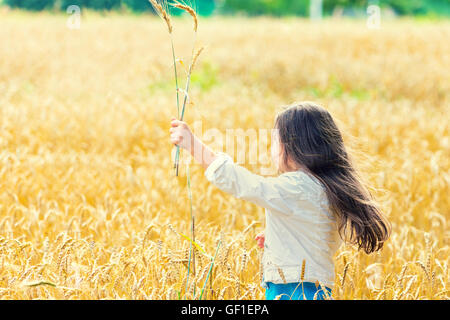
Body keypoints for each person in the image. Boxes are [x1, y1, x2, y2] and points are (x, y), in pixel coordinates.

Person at [169, 101, 391, 300]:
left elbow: (245, 184)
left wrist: (194, 146)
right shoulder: (326, 188)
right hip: (317, 290)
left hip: (292, 290)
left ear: (293, 146)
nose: (271, 149)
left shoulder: (296, 187)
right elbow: (321, 238)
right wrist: (281, 237)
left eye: (274, 140)